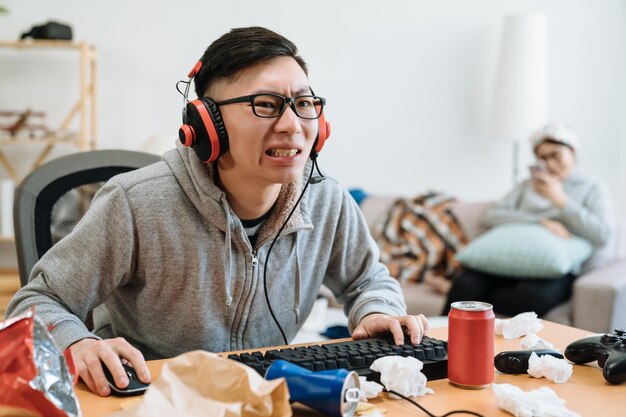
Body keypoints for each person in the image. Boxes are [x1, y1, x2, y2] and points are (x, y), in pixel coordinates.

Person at [6, 27, 428, 397]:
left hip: (263, 398)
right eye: (266, 104)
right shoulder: (134, 203)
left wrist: (376, 310)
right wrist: (76, 343)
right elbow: (36, 301)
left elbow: (367, 278)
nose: (292, 124)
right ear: (208, 124)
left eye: (304, 103)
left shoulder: (326, 199)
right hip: (148, 397)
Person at [442, 123, 613, 316]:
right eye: (542, 157)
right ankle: (440, 342)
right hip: (511, 260)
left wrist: (562, 202)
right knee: (465, 285)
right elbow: (492, 214)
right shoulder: (528, 185)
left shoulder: (593, 187)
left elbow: (603, 234)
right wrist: (539, 221)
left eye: (555, 155)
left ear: (572, 152)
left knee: (533, 298)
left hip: (555, 268)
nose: (549, 163)